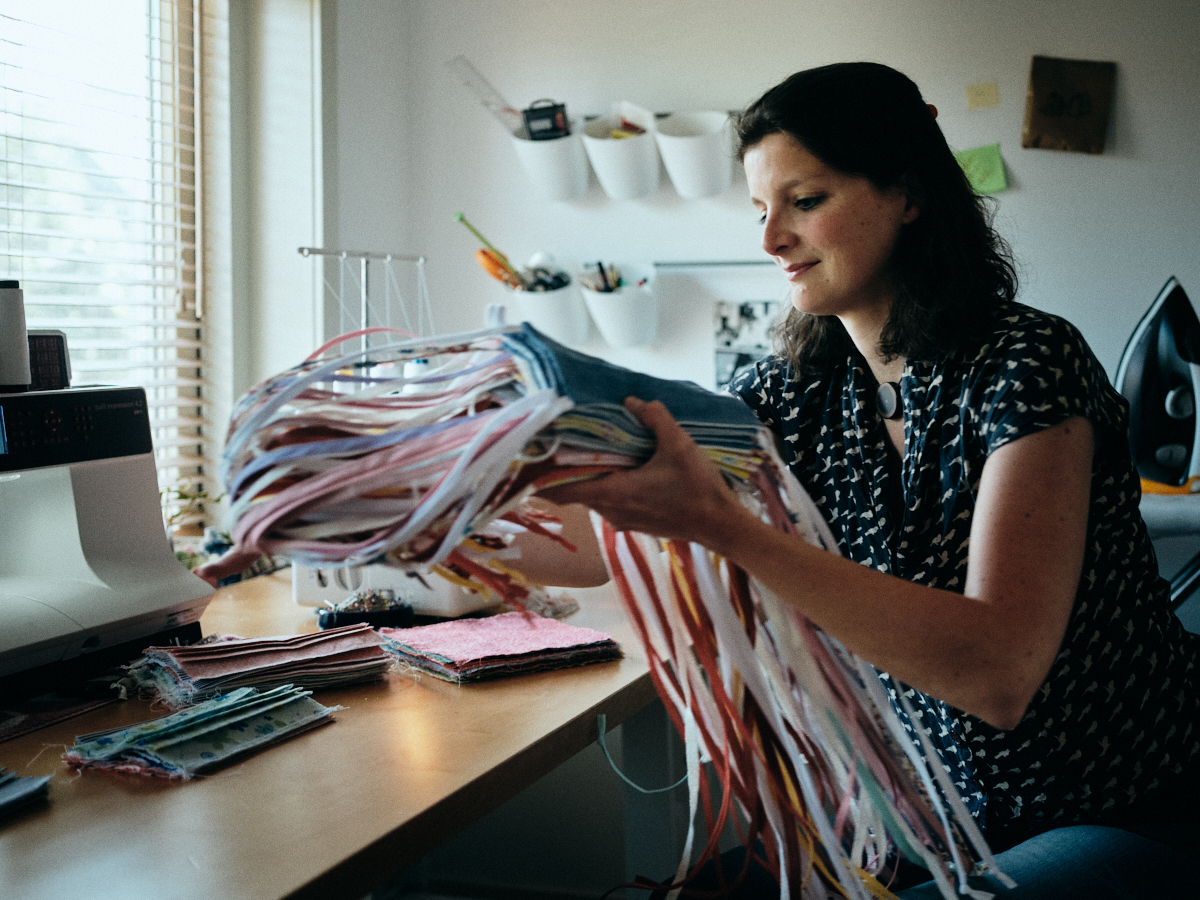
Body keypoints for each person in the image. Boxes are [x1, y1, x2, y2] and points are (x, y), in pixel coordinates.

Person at [542, 62, 1200, 898]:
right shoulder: (788, 393)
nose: (771, 238)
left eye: (804, 202)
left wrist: (729, 529)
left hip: (1121, 812)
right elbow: (601, 534)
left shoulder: (1026, 364)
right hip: (939, 819)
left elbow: (997, 672)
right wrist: (431, 521)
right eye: (760, 211)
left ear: (909, 195)